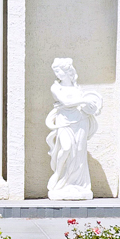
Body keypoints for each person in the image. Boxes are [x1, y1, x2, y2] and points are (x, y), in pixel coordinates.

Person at [45, 58, 102, 200]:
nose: (56, 74)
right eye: (55, 71)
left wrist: (90, 106)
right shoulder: (56, 87)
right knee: (66, 147)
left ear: (67, 71)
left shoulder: (77, 88)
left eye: (58, 70)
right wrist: (84, 101)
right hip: (64, 121)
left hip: (80, 120)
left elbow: (85, 105)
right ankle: (58, 175)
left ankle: (77, 184)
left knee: (79, 152)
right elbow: (66, 102)